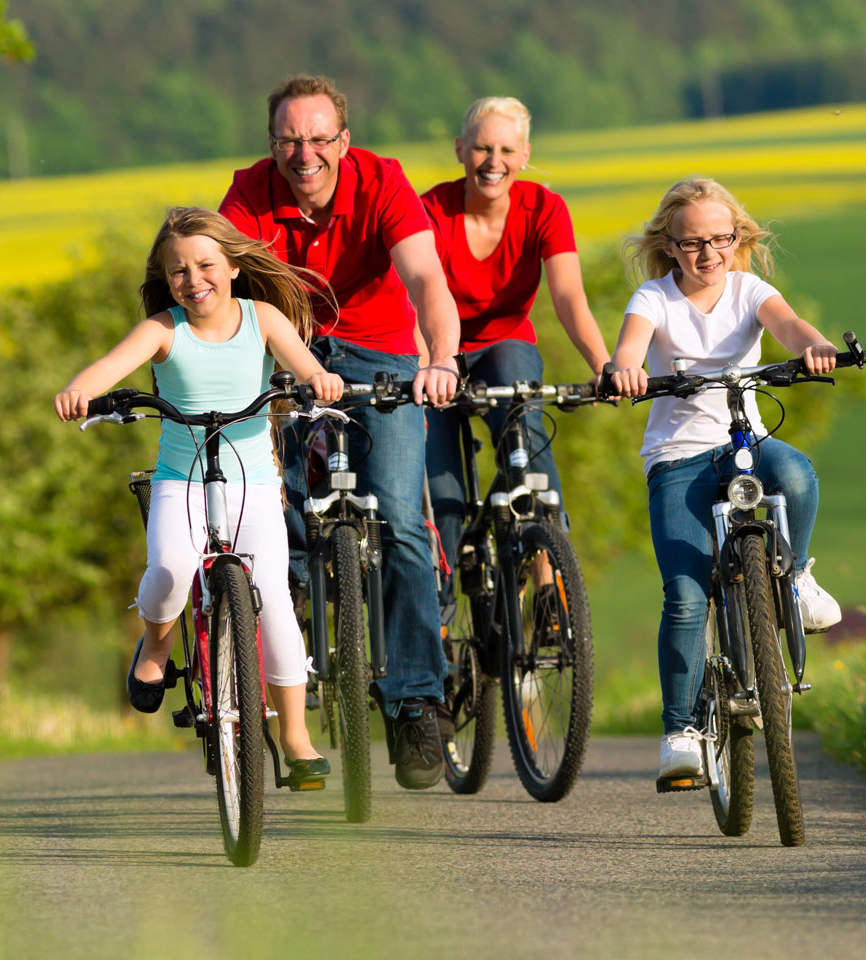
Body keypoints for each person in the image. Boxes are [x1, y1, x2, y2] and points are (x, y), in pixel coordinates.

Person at [217, 74, 462, 790]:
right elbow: (219, 284)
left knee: (401, 522)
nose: (305, 152)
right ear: (272, 144)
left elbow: (426, 280)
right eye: (290, 139)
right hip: (289, 352)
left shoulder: (383, 181)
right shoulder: (249, 193)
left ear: (343, 142)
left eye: (319, 138)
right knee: (274, 517)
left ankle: (417, 700)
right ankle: (283, 675)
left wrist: (440, 359)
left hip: (381, 350)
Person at [55, 207, 344, 786]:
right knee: (168, 570)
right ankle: (156, 645)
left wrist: (321, 381)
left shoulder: (263, 318)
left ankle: (294, 737)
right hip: (180, 482)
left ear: (234, 266)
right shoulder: (164, 329)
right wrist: (79, 391)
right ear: (167, 280)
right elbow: (110, 367)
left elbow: (307, 367)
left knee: (276, 602)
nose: (193, 280)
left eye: (206, 265)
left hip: (255, 485)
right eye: (178, 271)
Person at [602, 177, 845, 785]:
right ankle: (680, 731)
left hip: (745, 444)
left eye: (721, 239)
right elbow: (630, 347)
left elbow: (788, 326)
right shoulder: (653, 298)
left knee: (793, 469)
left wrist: (815, 347)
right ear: (669, 245)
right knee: (686, 597)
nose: (708, 254)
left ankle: (799, 577)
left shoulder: (749, 289)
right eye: (691, 244)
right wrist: (625, 371)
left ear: (739, 238)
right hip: (678, 458)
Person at [419, 96, 613, 616]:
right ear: (460, 149)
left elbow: (569, 297)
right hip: (437, 349)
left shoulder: (544, 209)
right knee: (442, 495)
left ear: (524, 154)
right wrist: (426, 368)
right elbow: (413, 297)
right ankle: (438, 630)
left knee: (525, 426)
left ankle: (547, 577)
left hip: (505, 344)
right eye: (481, 147)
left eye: (505, 149)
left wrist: (602, 364)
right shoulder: (430, 210)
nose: (492, 160)